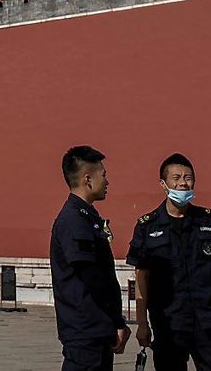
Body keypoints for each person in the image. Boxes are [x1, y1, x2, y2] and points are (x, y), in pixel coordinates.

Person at [127, 153, 211, 370]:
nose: (183, 183)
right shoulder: (147, 226)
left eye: (188, 177)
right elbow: (142, 276)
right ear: (163, 183)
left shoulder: (208, 220)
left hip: (207, 320)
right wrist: (142, 323)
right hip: (169, 323)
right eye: (176, 178)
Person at [50, 146, 131, 371]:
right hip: (85, 331)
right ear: (88, 179)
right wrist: (117, 321)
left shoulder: (87, 217)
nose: (107, 181)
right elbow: (92, 277)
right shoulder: (74, 220)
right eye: (103, 175)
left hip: (95, 329)